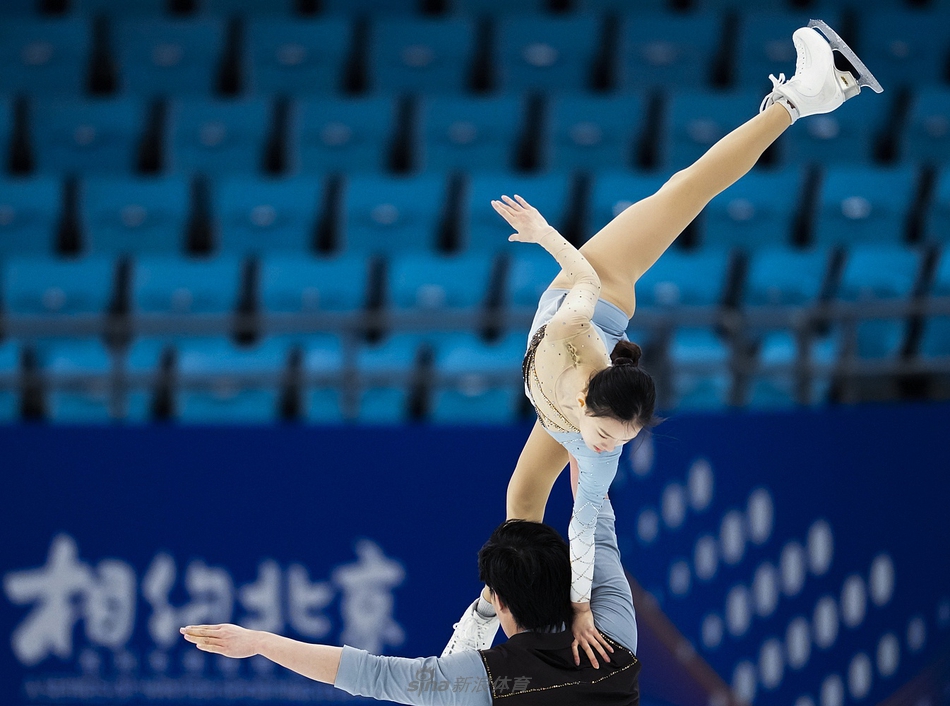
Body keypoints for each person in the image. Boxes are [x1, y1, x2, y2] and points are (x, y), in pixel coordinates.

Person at [441, 19, 884, 667]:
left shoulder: (593, 446)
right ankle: (801, 98)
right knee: (686, 188)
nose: (605, 450)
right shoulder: (575, 338)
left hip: (555, 394)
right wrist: (542, 233)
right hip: (601, 289)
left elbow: (584, 531)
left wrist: (584, 608)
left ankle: (500, 615)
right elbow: (585, 275)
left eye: (617, 444)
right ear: (591, 403)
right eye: (606, 435)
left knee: (520, 505)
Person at [181, 496, 640, 705]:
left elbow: (369, 674)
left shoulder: (482, 679)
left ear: (499, 600)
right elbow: (595, 514)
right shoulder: (616, 638)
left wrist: (260, 642)